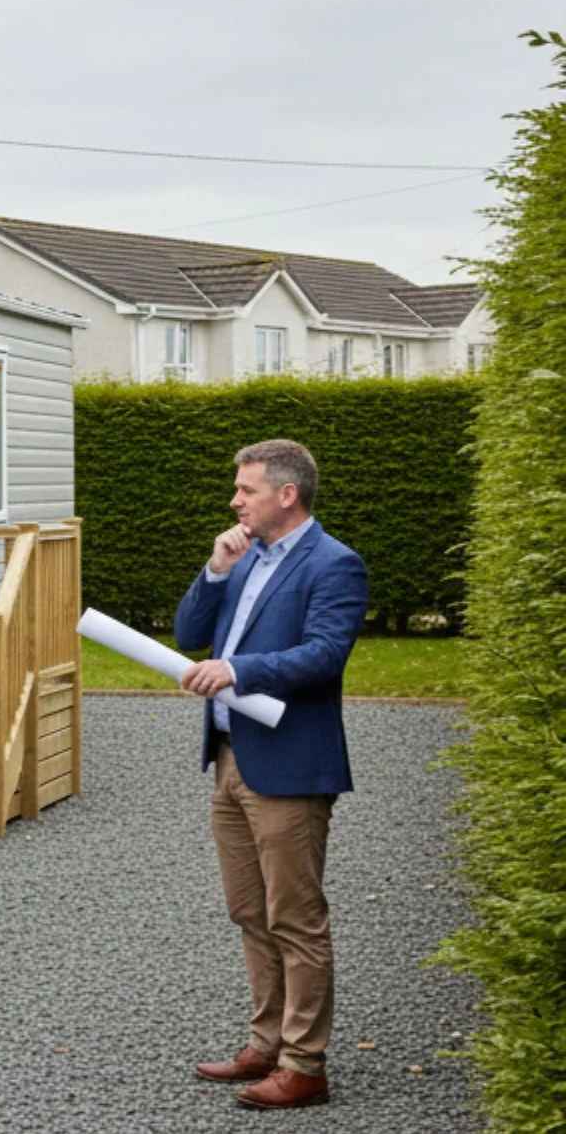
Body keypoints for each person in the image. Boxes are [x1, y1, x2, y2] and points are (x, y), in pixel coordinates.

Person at [173, 438, 368, 1111]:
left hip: (289, 765)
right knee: (250, 911)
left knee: (296, 917)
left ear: (287, 494)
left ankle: (305, 1064)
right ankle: (266, 1043)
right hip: (231, 757)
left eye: (246, 489)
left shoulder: (334, 563)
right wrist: (215, 569)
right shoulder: (244, 555)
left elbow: (325, 655)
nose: (235, 500)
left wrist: (239, 670)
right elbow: (188, 635)